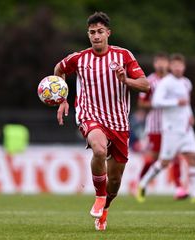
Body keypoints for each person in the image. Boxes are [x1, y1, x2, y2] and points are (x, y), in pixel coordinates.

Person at [54, 12, 149, 231]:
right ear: (88, 35)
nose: (96, 36)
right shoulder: (79, 58)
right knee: (98, 149)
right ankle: (99, 196)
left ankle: (105, 207)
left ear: (108, 33)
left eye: (99, 32)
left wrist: (125, 80)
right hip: (90, 116)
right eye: (91, 32)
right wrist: (62, 99)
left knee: (114, 183)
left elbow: (145, 85)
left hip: (119, 124)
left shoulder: (123, 56)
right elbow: (59, 69)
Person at [136, 53, 195, 204]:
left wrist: (190, 115)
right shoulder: (165, 83)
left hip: (185, 128)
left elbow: (187, 103)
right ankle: (143, 183)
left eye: (180, 65)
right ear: (171, 67)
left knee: (193, 157)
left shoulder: (186, 83)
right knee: (163, 161)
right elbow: (157, 102)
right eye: (175, 65)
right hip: (170, 129)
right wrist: (176, 102)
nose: (178, 68)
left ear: (184, 67)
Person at [136, 53, 188, 202]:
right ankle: (141, 183)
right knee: (152, 158)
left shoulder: (175, 81)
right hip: (155, 126)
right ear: (154, 64)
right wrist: (158, 103)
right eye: (158, 62)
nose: (161, 65)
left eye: (164, 62)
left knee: (176, 156)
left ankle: (179, 188)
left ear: (168, 64)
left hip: (172, 125)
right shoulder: (150, 81)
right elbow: (141, 103)